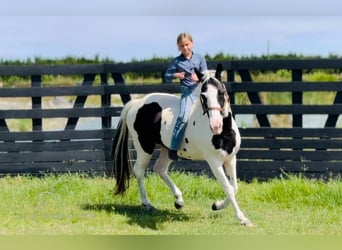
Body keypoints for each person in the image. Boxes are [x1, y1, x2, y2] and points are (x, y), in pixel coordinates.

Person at [164, 32, 208, 160]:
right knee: (183, 117)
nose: (185, 48)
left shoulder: (199, 58)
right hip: (188, 93)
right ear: (179, 47)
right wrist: (176, 75)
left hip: (200, 91)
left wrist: (199, 78)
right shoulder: (177, 61)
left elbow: (205, 74)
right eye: (182, 46)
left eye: (187, 44)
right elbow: (166, 77)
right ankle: (173, 147)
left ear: (192, 44)